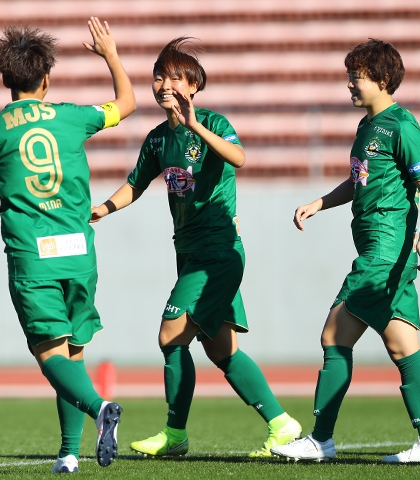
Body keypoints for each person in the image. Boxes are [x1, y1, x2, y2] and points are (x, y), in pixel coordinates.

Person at [90, 37, 302, 458]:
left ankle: (175, 434)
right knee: (221, 351)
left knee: (170, 337)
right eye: (158, 77)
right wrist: (103, 209)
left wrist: (196, 127)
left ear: (194, 86)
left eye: (173, 78)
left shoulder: (213, 123)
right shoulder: (156, 139)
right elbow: (135, 185)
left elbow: (239, 158)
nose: (163, 84)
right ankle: (282, 424)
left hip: (218, 251)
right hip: (188, 251)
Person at [0, 18, 136, 473]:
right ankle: (69, 453)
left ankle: (100, 409)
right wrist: (110, 52)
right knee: (73, 352)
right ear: (46, 78)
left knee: (49, 353)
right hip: (79, 252)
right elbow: (127, 103)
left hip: (34, 256)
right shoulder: (73, 115)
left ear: (6, 78)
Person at [270, 38, 420, 464]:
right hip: (377, 249)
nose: (349, 83)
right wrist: (320, 202)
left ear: (383, 79)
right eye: (349, 75)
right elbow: (359, 181)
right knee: (403, 346)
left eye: (357, 76)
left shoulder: (401, 125)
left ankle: (321, 440)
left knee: (334, 334)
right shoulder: (367, 126)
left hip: (386, 252)